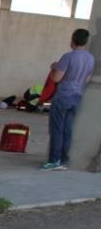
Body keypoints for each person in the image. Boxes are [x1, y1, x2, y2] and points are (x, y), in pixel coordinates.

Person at [41, 29, 95, 171]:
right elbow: (87, 79)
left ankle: (53, 160)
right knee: (67, 129)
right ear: (86, 41)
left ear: (72, 40)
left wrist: (54, 67)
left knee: (56, 129)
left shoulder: (68, 57)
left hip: (63, 95)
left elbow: (57, 78)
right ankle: (63, 160)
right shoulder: (90, 58)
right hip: (77, 96)